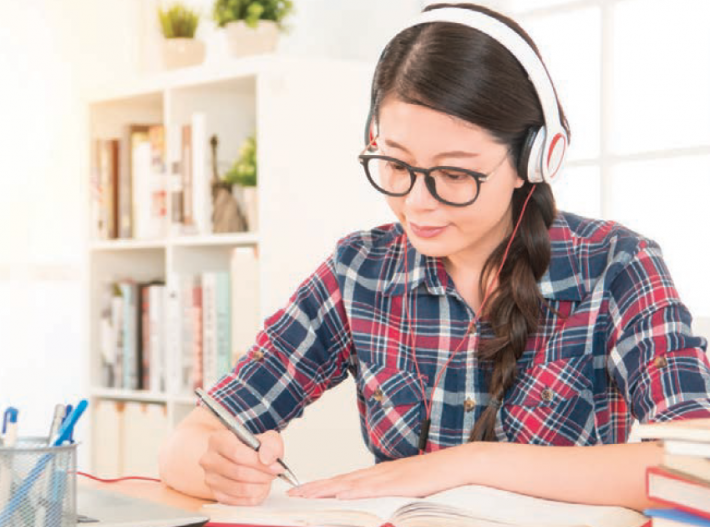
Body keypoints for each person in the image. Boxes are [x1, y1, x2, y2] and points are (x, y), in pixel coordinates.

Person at [157, 2, 710, 511]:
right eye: (395, 165)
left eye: (454, 174)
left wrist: (468, 464)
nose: (416, 203)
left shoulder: (616, 264)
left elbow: (696, 471)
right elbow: (190, 442)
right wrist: (222, 468)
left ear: (535, 159)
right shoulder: (359, 272)